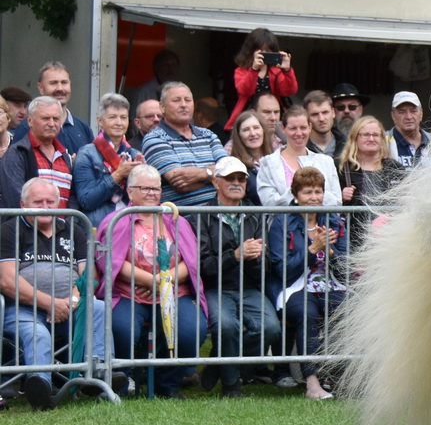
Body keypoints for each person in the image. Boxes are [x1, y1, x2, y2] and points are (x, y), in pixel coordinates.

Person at [2, 177, 118, 409]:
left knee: (97, 307)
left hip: (69, 308)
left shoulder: (73, 228)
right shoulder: (8, 230)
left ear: (59, 204)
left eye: (50, 201)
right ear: (23, 204)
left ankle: (99, 376)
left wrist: (71, 301)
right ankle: (41, 389)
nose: (45, 207)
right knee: (38, 334)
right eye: (38, 202)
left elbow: (90, 276)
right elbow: (7, 281)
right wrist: (49, 303)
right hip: (23, 309)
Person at [96, 165, 208, 398]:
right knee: (121, 328)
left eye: (156, 189)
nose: (151, 194)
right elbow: (109, 259)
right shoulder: (116, 220)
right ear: (129, 191)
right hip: (129, 292)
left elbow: (192, 259)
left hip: (175, 291)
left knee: (192, 330)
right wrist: (151, 281)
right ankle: (124, 380)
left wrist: (164, 282)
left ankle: (166, 384)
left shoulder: (175, 219)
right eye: (144, 188)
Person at [199, 157, 283, 397]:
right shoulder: (201, 215)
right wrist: (235, 255)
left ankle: (220, 361)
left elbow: (264, 269)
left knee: (270, 328)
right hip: (215, 288)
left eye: (241, 179)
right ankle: (231, 385)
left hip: (249, 287)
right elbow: (203, 266)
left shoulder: (255, 215)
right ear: (216, 182)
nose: (237, 183)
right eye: (230, 178)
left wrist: (257, 258)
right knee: (226, 326)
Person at [268, 168, 348, 400]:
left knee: (346, 308)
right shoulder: (282, 222)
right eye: (307, 192)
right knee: (307, 312)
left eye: (318, 191)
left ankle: (335, 374)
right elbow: (282, 269)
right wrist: (313, 249)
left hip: (329, 283)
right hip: (295, 285)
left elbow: (345, 264)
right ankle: (312, 383)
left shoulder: (333, 220)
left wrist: (331, 251)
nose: (313, 197)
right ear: (296, 195)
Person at [141, 82, 225, 207]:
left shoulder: (208, 135)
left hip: (218, 220)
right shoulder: (154, 138)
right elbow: (181, 184)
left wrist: (203, 173)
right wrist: (213, 175)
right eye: (176, 100)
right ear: (162, 107)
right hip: (181, 221)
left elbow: (228, 171)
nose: (184, 105)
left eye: (188, 100)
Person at [72, 94, 144, 227]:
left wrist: (142, 180)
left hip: (131, 227)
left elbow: (143, 201)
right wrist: (118, 175)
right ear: (100, 121)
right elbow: (86, 200)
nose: (119, 122)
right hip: (99, 228)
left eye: (123, 117)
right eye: (112, 117)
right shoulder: (87, 154)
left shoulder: (134, 154)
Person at [257, 105, 341, 207]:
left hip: (321, 223)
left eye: (303, 128)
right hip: (284, 223)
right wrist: (299, 190)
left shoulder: (326, 162)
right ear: (283, 128)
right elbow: (269, 203)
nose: (299, 133)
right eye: (293, 128)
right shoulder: (268, 163)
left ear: (310, 127)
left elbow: (336, 203)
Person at [0, 97, 72, 209]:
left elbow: (73, 199)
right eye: (45, 118)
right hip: (29, 226)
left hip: (62, 226)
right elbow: (16, 201)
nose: (52, 124)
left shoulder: (65, 156)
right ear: (30, 121)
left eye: (56, 119)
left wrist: (68, 225)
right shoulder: (17, 154)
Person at [227, 28, 298, 130]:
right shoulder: (241, 70)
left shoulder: (276, 71)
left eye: (268, 51)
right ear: (251, 51)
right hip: (247, 116)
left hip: (273, 118)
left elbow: (289, 90)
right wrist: (254, 69)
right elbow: (244, 90)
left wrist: (287, 70)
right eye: (260, 50)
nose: (264, 54)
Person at [336, 116, 403, 208]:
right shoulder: (341, 167)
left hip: (389, 221)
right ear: (355, 138)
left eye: (376, 135)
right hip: (354, 222)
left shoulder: (395, 168)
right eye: (366, 135)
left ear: (382, 139)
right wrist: (340, 197)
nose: (371, 139)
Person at [36, 61, 94, 154]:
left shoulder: (83, 128)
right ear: (41, 88)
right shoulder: (29, 127)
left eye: (64, 83)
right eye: (53, 83)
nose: (60, 88)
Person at [225, 110, 271, 203]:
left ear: (263, 130)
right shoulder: (235, 167)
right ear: (239, 136)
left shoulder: (274, 160)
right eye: (246, 130)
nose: (253, 133)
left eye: (256, 128)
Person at [388, 92, 431, 167]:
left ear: (421, 114)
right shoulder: (383, 142)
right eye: (401, 112)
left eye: (413, 111)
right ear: (393, 116)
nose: (408, 117)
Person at [304, 91, 346, 159]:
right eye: (315, 114)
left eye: (325, 112)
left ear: (333, 113)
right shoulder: (300, 148)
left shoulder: (348, 145)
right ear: (306, 117)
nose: (321, 119)